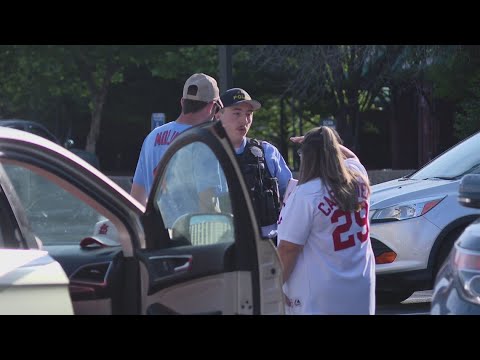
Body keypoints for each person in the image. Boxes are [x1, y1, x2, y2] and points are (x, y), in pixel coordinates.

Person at [277, 126, 375, 315]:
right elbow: (353, 158)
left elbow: (289, 249)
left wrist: (273, 289)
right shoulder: (359, 179)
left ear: (307, 157)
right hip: (361, 284)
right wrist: (328, 141)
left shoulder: (307, 194)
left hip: (320, 293)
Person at [131, 73, 223, 206]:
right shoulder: (203, 141)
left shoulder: (152, 137)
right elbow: (210, 204)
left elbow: (136, 197)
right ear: (211, 106)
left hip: (154, 224)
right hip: (188, 226)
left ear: (182, 102)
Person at [215, 88, 292, 240]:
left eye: (249, 114)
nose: (244, 120)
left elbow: (291, 196)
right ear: (218, 115)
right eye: (237, 113)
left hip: (268, 243)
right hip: (226, 243)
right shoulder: (208, 154)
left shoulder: (267, 152)